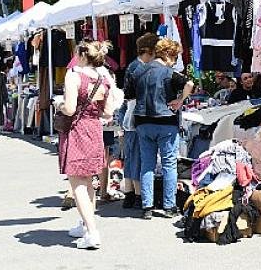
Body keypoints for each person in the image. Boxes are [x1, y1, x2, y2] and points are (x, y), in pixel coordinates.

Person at [55, 41, 118, 250]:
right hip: (94, 130)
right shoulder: (104, 78)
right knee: (89, 181)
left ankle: (92, 232)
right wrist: (92, 110)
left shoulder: (74, 76)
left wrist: (59, 104)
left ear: (82, 55)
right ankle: (85, 224)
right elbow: (108, 112)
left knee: (78, 183)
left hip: (77, 130)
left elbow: (70, 108)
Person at [127, 38, 194, 220]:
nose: (175, 62)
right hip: (166, 121)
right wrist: (180, 100)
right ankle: (169, 206)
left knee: (147, 164)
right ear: (167, 55)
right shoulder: (169, 72)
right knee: (169, 164)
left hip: (142, 122)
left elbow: (129, 95)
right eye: (174, 58)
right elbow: (189, 84)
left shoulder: (138, 71)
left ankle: (147, 206)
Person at [120, 33, 159, 210]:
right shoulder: (139, 68)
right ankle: (137, 195)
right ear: (149, 52)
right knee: (137, 157)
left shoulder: (133, 66)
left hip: (130, 117)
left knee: (130, 157)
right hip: (136, 117)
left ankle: (129, 194)